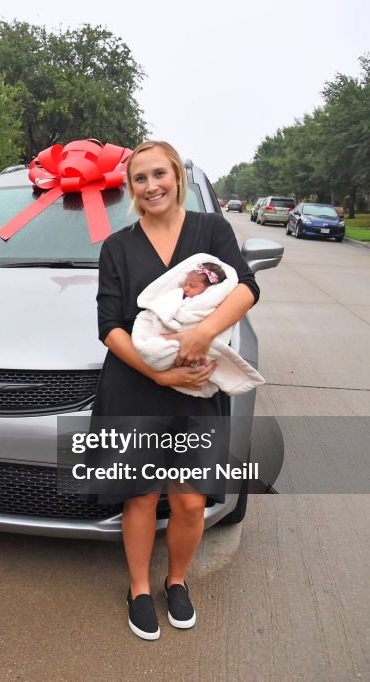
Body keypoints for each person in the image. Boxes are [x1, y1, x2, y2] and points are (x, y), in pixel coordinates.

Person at [93, 140, 259, 640]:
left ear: (176, 177)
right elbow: (109, 325)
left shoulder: (211, 230)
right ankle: (139, 588)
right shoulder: (117, 246)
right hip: (138, 387)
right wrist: (161, 374)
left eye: (159, 174)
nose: (151, 186)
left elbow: (246, 286)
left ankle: (178, 581)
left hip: (200, 386)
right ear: (131, 187)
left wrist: (202, 335)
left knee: (189, 501)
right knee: (140, 496)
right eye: (140, 178)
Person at [130, 255, 264, 398]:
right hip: (139, 375)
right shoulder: (177, 296)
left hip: (196, 358)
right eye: (185, 284)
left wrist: (200, 334)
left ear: (209, 289)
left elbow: (248, 286)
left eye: (192, 286)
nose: (186, 289)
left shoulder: (211, 301)